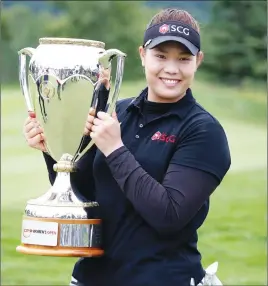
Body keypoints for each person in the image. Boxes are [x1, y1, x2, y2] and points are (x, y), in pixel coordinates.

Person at [23, 8, 231, 286]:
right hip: (91, 278)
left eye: (183, 59)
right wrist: (52, 152)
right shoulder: (115, 112)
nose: (171, 69)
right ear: (143, 55)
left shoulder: (204, 131)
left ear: (198, 61)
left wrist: (115, 149)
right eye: (160, 56)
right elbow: (82, 197)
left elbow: (168, 216)